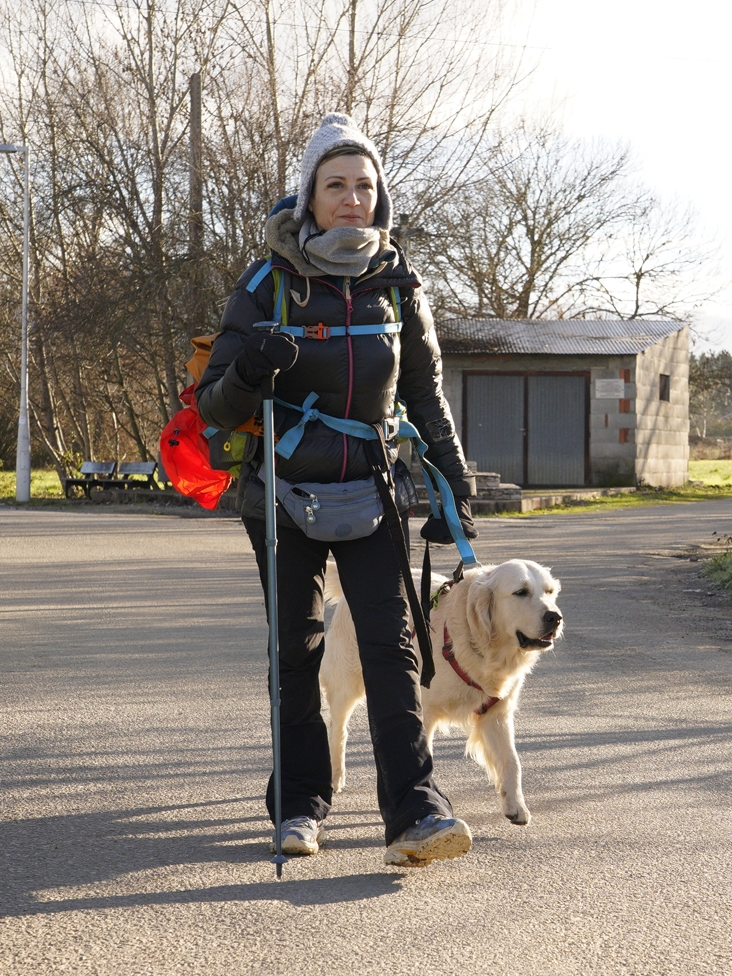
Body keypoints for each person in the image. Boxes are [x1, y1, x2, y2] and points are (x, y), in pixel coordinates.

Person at [195, 113, 479, 867]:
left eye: (364, 185)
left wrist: (455, 487)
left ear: (378, 196)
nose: (351, 198)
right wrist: (252, 367)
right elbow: (214, 406)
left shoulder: (398, 286)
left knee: (394, 649)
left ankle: (416, 813)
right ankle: (297, 805)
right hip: (280, 493)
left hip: (374, 488)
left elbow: (426, 395)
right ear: (309, 197)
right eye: (335, 185)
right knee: (297, 650)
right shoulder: (267, 285)